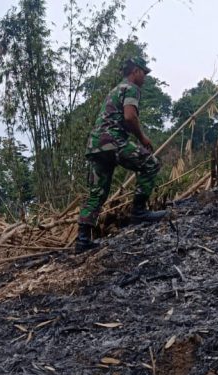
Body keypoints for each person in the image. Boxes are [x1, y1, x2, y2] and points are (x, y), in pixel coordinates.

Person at [75, 56, 168, 253]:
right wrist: (142, 138)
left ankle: (82, 240)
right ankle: (139, 212)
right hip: (113, 141)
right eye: (143, 73)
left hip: (96, 145)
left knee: (97, 192)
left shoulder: (115, 90)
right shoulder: (131, 88)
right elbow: (129, 116)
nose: (145, 77)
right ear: (135, 71)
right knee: (150, 163)